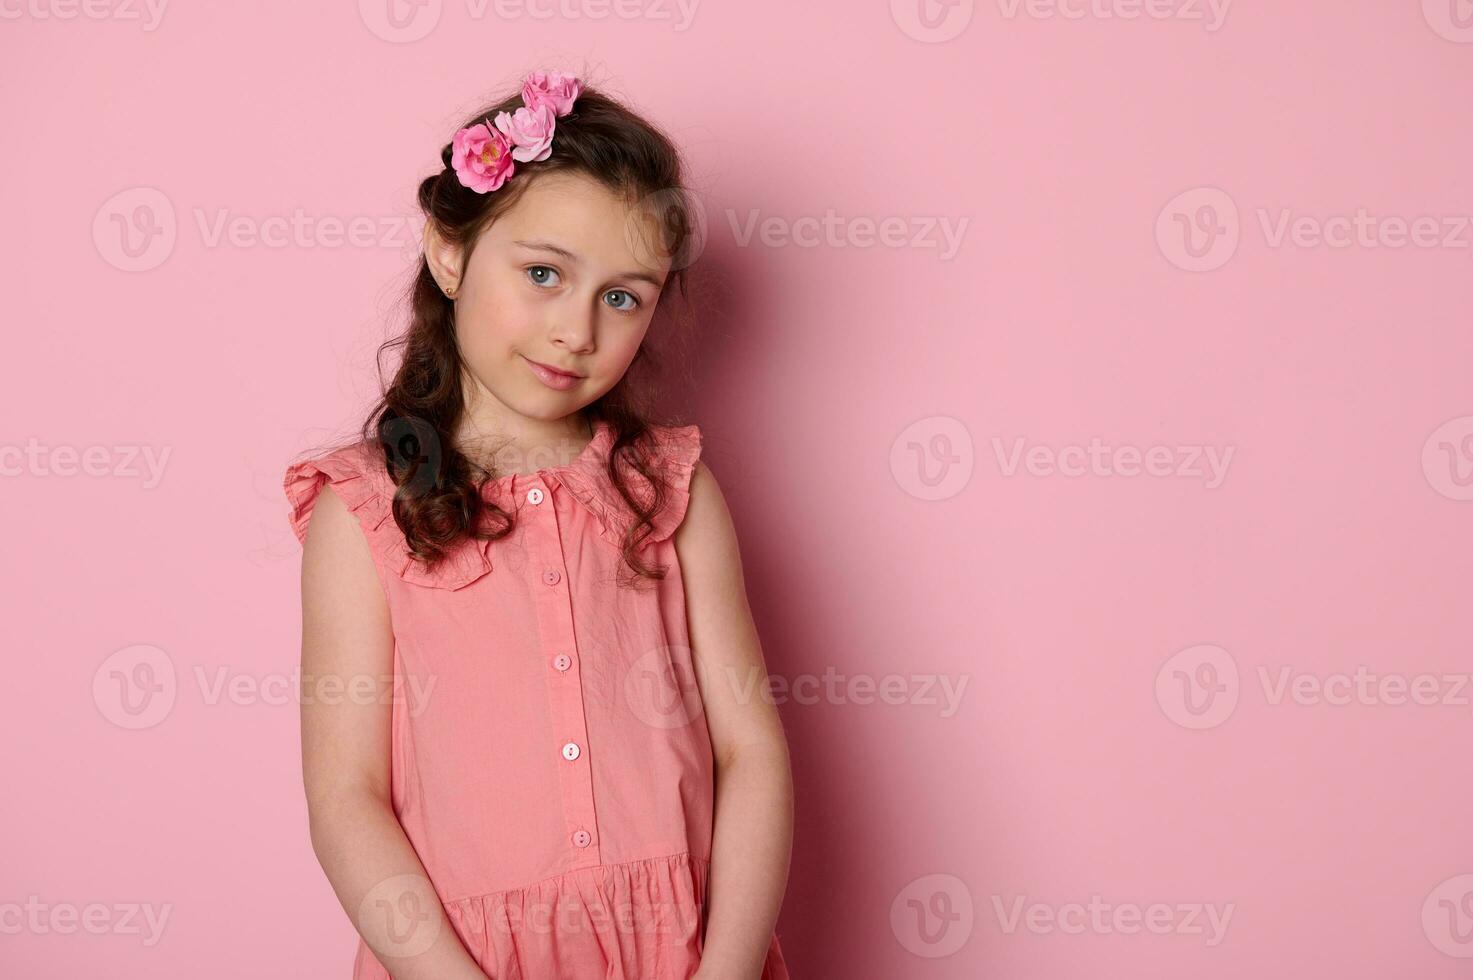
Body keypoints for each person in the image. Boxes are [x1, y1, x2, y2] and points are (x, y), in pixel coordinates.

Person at [283, 69, 793, 979]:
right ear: (450, 253)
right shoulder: (363, 511)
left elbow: (750, 750)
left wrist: (725, 971)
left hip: (678, 955)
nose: (575, 330)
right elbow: (346, 800)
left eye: (622, 296)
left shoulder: (670, 492)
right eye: (544, 273)